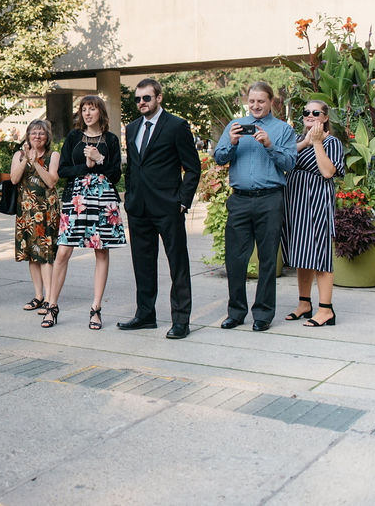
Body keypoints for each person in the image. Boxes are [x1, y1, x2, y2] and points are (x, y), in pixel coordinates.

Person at [119, 78, 201, 340]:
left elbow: (193, 168)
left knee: (177, 264)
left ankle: (181, 320)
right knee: (142, 264)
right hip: (139, 209)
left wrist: (182, 201)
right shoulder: (131, 129)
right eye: (138, 99)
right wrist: (129, 198)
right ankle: (145, 315)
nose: (142, 103)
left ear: (159, 98)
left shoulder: (176, 126)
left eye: (147, 98)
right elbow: (132, 167)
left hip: (168, 208)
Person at [213, 81, 297, 332]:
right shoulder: (234, 126)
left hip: (270, 199)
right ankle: (236, 312)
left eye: (261, 101)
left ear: (272, 102)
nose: (256, 106)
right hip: (239, 199)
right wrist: (231, 142)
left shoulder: (282, 130)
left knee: (268, 258)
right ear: (246, 102)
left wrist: (270, 145)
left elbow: (290, 163)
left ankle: (263, 314)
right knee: (235, 259)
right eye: (252, 101)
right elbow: (219, 157)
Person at [54, 97, 125, 330]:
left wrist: (100, 159)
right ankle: (52, 304)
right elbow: (63, 169)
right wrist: (87, 166)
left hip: (103, 201)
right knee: (63, 250)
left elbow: (115, 174)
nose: (87, 113)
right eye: (83, 110)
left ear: (100, 112)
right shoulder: (74, 137)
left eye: (91, 109)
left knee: (101, 252)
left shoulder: (112, 139)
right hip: (76, 199)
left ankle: (96, 309)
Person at [281, 100, 344, 327]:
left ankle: (326, 309)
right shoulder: (297, 140)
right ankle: (304, 303)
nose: (310, 115)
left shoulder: (332, 142)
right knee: (302, 253)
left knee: (320, 253)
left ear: (325, 117)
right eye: (306, 112)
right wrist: (307, 142)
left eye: (316, 112)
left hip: (317, 201)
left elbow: (328, 172)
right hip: (295, 203)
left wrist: (316, 143)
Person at [10, 119, 61, 325]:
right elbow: (14, 179)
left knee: (46, 254)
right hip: (26, 210)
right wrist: (26, 160)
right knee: (32, 253)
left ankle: (50, 298)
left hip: (46, 210)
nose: (37, 136)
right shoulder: (19, 155)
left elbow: (51, 181)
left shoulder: (53, 155)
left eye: (41, 133)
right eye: (33, 133)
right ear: (27, 135)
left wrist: (36, 163)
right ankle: (38, 296)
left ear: (47, 137)